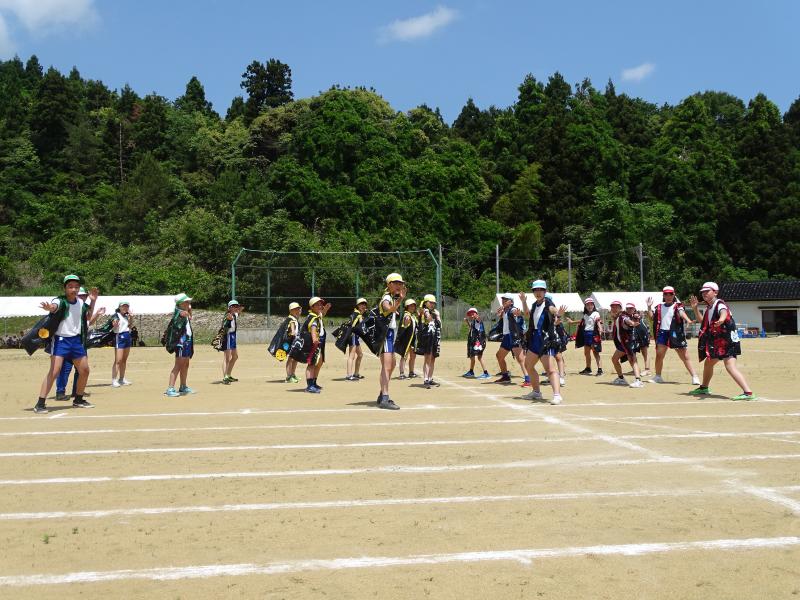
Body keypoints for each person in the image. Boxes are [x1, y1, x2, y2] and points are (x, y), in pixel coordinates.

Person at [33, 275, 98, 413]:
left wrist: (93, 301)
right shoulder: (60, 300)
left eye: (76, 287)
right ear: (65, 288)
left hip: (76, 340)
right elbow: (54, 307)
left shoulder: (80, 302)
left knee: (84, 370)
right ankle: (40, 403)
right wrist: (49, 308)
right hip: (61, 340)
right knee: (54, 371)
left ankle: (78, 399)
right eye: (70, 286)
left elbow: (88, 316)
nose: (74, 289)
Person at [689, 282, 756, 400]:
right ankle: (704, 387)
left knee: (730, 366)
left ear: (715, 292)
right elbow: (703, 321)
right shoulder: (709, 307)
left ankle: (748, 393)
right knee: (709, 363)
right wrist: (695, 309)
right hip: (718, 342)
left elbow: (724, 312)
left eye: (707, 291)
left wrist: (721, 319)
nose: (704, 293)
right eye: (703, 292)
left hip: (727, 341)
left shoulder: (719, 303)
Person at [55, 286, 106, 400]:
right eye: (81, 295)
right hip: (68, 341)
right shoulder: (69, 307)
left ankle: (76, 391)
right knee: (65, 368)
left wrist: (97, 313)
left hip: (80, 343)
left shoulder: (82, 307)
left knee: (81, 370)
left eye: (84, 296)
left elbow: (88, 322)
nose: (82, 297)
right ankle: (60, 392)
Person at [519, 281, 565, 405]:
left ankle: (557, 395)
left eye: (540, 290)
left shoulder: (548, 303)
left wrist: (558, 313)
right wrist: (523, 302)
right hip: (534, 339)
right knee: (528, 365)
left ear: (545, 291)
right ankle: (536, 392)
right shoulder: (535, 305)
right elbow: (527, 314)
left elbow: (552, 309)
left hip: (545, 339)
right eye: (535, 290)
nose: (538, 292)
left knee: (550, 369)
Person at [646, 286, 701, 385]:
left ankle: (694, 376)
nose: (668, 296)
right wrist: (649, 307)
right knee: (659, 356)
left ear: (674, 295)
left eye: (670, 294)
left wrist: (688, 320)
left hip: (675, 333)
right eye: (666, 294)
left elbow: (681, 313)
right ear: (663, 295)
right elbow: (652, 318)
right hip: (662, 333)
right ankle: (658, 376)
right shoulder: (659, 307)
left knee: (684, 356)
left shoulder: (678, 306)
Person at [377, 273, 406, 409]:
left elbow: (391, 310)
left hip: (390, 334)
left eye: (400, 283)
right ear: (389, 284)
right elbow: (387, 307)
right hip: (385, 334)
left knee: (392, 364)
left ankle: (382, 393)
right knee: (387, 366)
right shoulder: (387, 297)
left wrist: (398, 301)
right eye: (396, 283)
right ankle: (385, 398)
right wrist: (398, 302)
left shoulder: (392, 298)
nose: (399, 285)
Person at [165, 293, 195, 397]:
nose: (188, 303)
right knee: (178, 365)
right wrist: (187, 312)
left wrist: (189, 311)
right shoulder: (180, 312)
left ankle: (183, 386)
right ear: (180, 303)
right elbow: (183, 315)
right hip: (181, 342)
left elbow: (189, 317)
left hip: (187, 340)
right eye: (186, 302)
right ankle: (170, 388)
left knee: (186, 364)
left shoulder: (183, 311)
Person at [610, 301, 644, 388]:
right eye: (612, 307)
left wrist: (632, 323)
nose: (614, 309)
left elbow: (627, 321)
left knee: (632, 360)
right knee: (615, 359)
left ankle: (638, 380)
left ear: (621, 308)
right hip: (623, 343)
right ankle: (621, 378)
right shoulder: (620, 316)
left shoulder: (623, 316)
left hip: (628, 342)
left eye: (616, 307)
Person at [494, 293, 527, 384]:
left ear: (511, 302)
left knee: (520, 358)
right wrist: (501, 314)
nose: (503, 301)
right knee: (499, 356)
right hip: (507, 337)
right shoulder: (505, 310)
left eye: (506, 300)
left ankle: (528, 379)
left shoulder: (512, 309)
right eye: (503, 299)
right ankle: (505, 376)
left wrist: (518, 313)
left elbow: (515, 312)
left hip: (513, 336)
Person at [569, 298, 603, 376]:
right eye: (588, 305)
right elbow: (582, 321)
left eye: (591, 304)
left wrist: (600, 328)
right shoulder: (585, 315)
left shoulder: (596, 313)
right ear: (585, 306)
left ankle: (600, 369)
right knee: (586, 353)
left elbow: (598, 321)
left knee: (595, 353)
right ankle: (588, 368)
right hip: (586, 334)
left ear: (593, 305)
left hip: (593, 334)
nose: (589, 306)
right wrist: (572, 322)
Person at [419, 294, 442, 389]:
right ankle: (426, 379)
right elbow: (428, 318)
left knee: (433, 358)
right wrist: (431, 313)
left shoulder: (435, 312)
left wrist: (438, 316)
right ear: (425, 303)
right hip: (427, 337)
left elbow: (439, 324)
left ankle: (430, 378)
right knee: (427, 358)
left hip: (435, 337)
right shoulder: (425, 311)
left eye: (433, 303)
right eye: (430, 302)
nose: (432, 304)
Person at [111, 300, 133, 387]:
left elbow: (130, 326)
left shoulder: (126, 316)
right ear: (119, 307)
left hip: (127, 336)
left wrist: (131, 317)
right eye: (123, 306)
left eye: (127, 306)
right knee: (118, 360)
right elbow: (114, 325)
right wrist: (115, 324)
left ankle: (122, 379)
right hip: (119, 337)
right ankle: (114, 380)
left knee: (124, 360)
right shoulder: (116, 315)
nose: (125, 308)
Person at [463, 308, 490, 379]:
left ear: (476, 314)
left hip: (479, 342)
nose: (471, 316)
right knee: (472, 356)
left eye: (473, 314)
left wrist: (477, 317)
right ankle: (471, 371)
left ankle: (486, 373)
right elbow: (472, 328)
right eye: (470, 314)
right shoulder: (473, 322)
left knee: (479, 357)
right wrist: (467, 322)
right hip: (474, 342)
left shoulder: (477, 320)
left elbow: (479, 319)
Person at [345, 298, 368, 381]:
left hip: (355, 337)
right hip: (353, 336)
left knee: (360, 355)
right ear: (357, 305)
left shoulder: (356, 313)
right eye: (361, 304)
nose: (363, 306)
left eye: (364, 304)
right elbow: (361, 327)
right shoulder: (357, 315)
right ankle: (349, 375)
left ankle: (356, 373)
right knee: (351, 356)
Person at [221, 300, 243, 384]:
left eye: (236, 306)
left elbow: (238, 314)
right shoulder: (228, 316)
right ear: (229, 308)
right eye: (233, 306)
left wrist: (240, 309)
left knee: (235, 356)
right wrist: (228, 320)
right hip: (228, 336)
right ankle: (225, 377)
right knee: (227, 358)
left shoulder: (234, 314)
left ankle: (228, 375)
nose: (236, 308)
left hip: (233, 336)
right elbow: (224, 325)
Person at [396, 298, 418, 380]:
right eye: (410, 306)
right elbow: (405, 323)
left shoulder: (413, 316)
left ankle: (411, 372)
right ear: (407, 307)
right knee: (404, 356)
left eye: (413, 306)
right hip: (406, 339)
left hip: (413, 339)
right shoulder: (407, 315)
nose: (412, 307)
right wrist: (406, 321)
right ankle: (402, 373)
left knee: (413, 356)